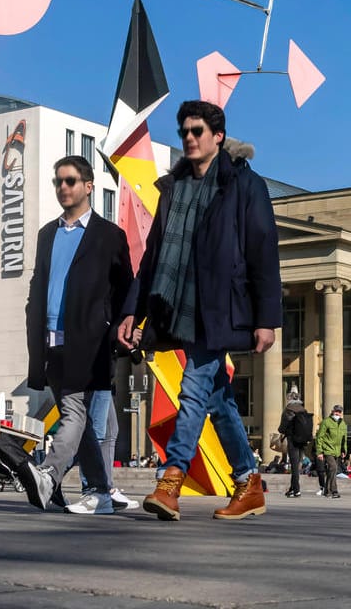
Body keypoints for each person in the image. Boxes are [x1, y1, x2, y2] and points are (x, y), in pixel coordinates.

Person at [121, 102, 282, 522]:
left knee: (193, 389)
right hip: (180, 307)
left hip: (221, 307)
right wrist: (131, 312)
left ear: (218, 137)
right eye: (184, 132)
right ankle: (249, 484)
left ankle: (170, 480)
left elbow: (263, 251)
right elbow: (152, 258)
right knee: (217, 400)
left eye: (197, 131)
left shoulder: (244, 185)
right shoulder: (173, 189)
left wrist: (267, 319)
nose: (189, 138)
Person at [22, 155, 133, 515]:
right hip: (50, 341)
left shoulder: (109, 235)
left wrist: (116, 329)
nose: (63, 188)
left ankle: (48, 474)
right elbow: (40, 283)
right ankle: (101, 490)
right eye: (58, 182)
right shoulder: (47, 234)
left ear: (88, 186)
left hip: (89, 340)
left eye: (70, 181)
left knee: (74, 412)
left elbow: (125, 290)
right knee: (90, 422)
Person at [278, 396, 313, 498]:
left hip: (293, 440)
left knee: (294, 466)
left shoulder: (288, 410)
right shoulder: (303, 410)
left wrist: (282, 431)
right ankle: (292, 489)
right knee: (298, 465)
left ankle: (296, 490)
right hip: (303, 441)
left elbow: (282, 427)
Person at [315, 407, 351, 499]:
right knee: (333, 468)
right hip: (328, 449)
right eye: (336, 411)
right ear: (332, 412)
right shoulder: (326, 422)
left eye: (339, 412)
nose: (337, 413)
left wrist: (344, 450)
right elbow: (319, 437)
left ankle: (327, 491)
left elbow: (344, 439)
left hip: (337, 451)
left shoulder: (343, 424)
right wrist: (319, 451)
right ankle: (334, 490)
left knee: (332, 470)